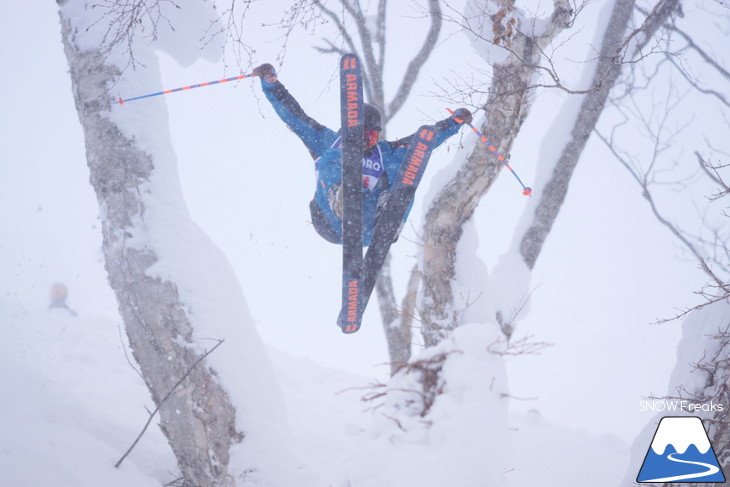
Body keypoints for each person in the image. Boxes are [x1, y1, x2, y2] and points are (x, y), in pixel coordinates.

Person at [252, 63, 472, 246]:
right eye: (362, 134)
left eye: (373, 136)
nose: (368, 141)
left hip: (368, 225)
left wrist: (454, 122)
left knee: (407, 170)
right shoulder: (329, 142)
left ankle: (390, 219)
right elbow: (295, 117)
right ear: (350, 130)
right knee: (332, 157)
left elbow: (423, 142)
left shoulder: (383, 153)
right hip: (330, 221)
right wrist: (270, 83)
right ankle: (340, 198)